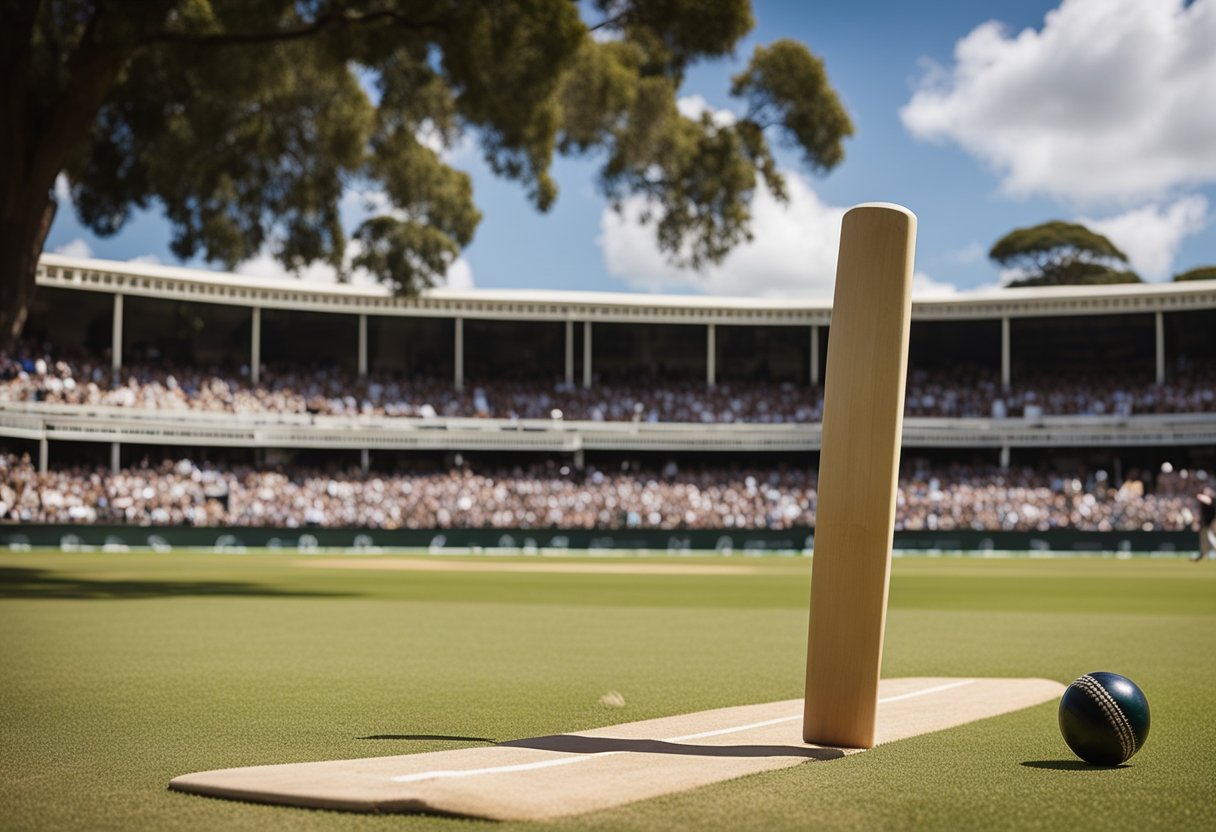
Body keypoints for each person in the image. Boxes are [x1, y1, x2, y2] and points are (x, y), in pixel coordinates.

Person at [1196, 490, 1216, 562]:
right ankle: (1202, 554)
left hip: (1210, 523)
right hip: (1205, 524)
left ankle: (1203, 554)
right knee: (1204, 540)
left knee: (1210, 538)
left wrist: (1202, 496)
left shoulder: (1211, 500)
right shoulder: (1204, 504)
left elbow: (1203, 498)